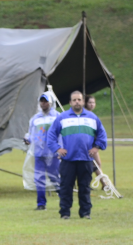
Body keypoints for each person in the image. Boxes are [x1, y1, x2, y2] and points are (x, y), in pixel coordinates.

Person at [46, 90, 108, 220]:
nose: (77, 102)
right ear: (70, 102)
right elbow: (51, 136)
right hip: (68, 160)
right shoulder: (62, 117)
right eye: (74, 100)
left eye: (79, 99)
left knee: (85, 187)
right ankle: (65, 213)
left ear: (83, 102)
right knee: (66, 187)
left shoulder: (92, 117)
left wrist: (97, 147)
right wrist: (58, 149)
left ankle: (85, 213)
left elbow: (102, 134)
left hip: (86, 159)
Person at [23, 93, 60, 210]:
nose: (43, 103)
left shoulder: (58, 117)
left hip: (53, 154)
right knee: (38, 178)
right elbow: (31, 133)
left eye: (45, 101)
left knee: (55, 178)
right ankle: (41, 204)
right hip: (38, 153)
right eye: (41, 101)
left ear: (51, 102)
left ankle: (64, 199)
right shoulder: (35, 118)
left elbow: (62, 135)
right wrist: (27, 139)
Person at [84, 95, 104, 178]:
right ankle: (104, 184)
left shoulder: (92, 115)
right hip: (87, 144)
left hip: (93, 143)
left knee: (96, 164)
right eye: (90, 102)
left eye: (93, 102)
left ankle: (103, 184)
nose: (92, 104)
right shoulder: (84, 115)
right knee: (96, 163)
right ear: (85, 103)